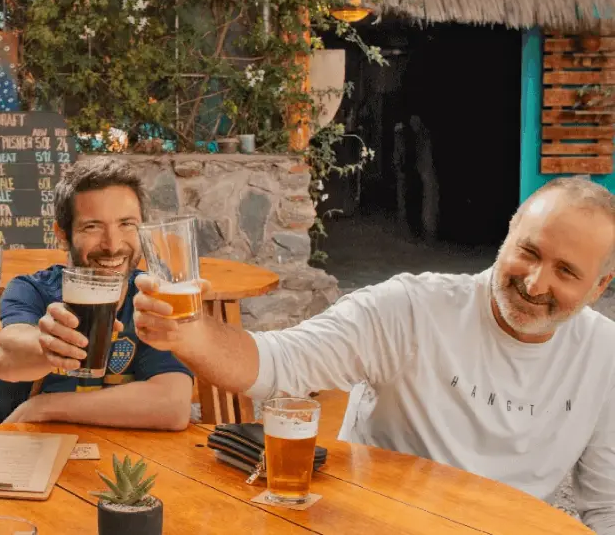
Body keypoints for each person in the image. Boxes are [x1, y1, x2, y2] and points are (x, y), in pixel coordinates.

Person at [130, 176, 615, 534]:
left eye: (566, 272)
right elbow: (277, 364)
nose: (535, 282)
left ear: (599, 287)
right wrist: (190, 335)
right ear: (506, 238)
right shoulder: (410, 308)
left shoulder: (604, 355)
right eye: (528, 251)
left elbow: (607, 507)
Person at [0, 159, 193, 430]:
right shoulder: (31, 289)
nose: (113, 245)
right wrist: (47, 345)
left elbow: (172, 405)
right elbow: (8, 359)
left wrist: (45, 406)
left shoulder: (150, 299)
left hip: (113, 458)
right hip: (19, 455)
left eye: (127, 224)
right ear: (62, 235)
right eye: (92, 226)